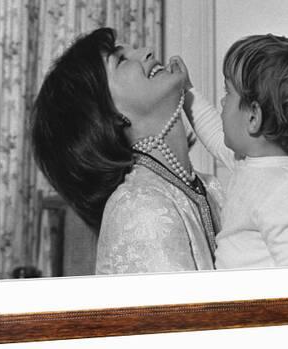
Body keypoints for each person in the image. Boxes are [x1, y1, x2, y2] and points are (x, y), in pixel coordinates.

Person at [31, 27, 224, 275]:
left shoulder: (210, 188)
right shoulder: (139, 208)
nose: (148, 52)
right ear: (104, 114)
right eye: (121, 60)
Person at [176, 34, 288, 269]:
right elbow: (215, 136)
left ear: (253, 117)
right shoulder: (252, 160)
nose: (222, 101)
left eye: (228, 93)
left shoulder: (282, 187)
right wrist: (187, 90)